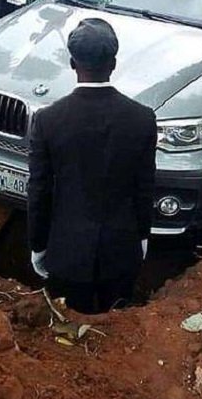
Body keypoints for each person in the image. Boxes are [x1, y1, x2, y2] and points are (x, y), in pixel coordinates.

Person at [28, 18, 157, 314]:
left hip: (66, 254)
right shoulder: (142, 118)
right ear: (113, 63)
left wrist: (38, 245)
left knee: (70, 335)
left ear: (73, 64)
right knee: (117, 331)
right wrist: (142, 236)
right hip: (122, 250)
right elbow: (144, 187)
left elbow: (39, 191)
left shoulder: (49, 120)